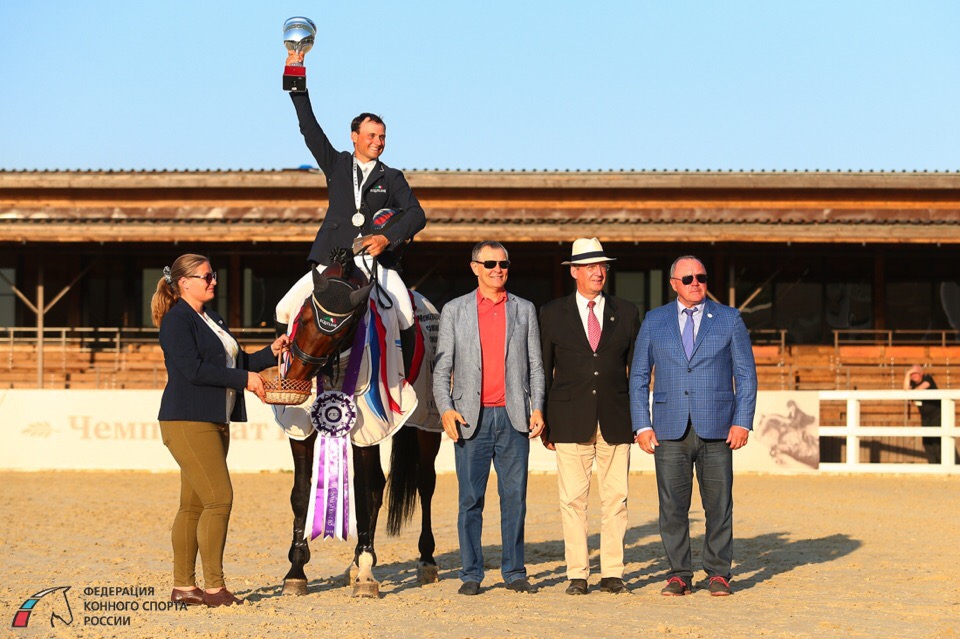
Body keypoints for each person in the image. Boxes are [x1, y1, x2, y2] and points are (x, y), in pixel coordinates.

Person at [275, 51, 426, 373]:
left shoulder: (392, 177)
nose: (378, 142)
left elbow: (417, 214)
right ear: (354, 136)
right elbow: (309, 127)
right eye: (371, 135)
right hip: (332, 259)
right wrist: (296, 71)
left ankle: (405, 377)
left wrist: (386, 238)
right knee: (283, 307)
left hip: (375, 264)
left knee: (405, 314)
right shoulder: (337, 164)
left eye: (382, 136)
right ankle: (285, 374)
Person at [152, 254, 288, 608]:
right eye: (206, 276)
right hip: (187, 420)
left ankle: (184, 587)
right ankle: (214, 588)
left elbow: (236, 362)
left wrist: (270, 353)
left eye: (213, 275)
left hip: (214, 418)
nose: (214, 281)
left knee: (193, 505)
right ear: (184, 282)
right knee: (219, 499)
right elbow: (194, 370)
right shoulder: (176, 320)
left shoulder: (212, 318)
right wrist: (245, 380)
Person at [629, 255, 757, 597]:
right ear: (674, 284)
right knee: (672, 507)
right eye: (688, 279)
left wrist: (742, 421)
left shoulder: (729, 319)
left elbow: (746, 375)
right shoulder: (654, 320)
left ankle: (718, 574)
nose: (696, 283)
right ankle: (679, 574)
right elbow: (638, 376)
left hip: (718, 428)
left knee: (719, 506)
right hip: (668, 427)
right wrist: (641, 424)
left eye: (701, 277)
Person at [432, 241, 545, 596]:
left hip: (514, 418)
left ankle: (514, 571)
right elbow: (441, 369)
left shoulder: (524, 309)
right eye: (491, 263)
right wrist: (446, 408)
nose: (498, 269)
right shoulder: (454, 310)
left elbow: (536, 366)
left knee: (515, 500)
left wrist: (538, 407)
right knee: (470, 501)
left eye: (504, 264)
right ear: (475, 267)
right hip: (470, 419)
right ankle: (471, 573)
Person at [539, 238, 640, 596]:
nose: (599, 272)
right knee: (572, 501)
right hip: (568, 418)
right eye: (591, 266)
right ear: (575, 272)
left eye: (603, 266)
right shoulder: (551, 313)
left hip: (617, 417)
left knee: (616, 498)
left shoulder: (627, 311)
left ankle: (612, 572)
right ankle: (577, 574)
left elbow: (637, 371)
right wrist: (543, 416)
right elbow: (543, 369)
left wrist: (640, 419)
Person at [904, 364, 942, 464]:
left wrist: (910, 392)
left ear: (921, 373)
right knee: (927, 442)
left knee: (938, 441)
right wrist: (907, 374)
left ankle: (952, 464)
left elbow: (920, 389)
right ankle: (934, 465)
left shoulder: (928, 378)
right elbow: (905, 392)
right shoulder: (912, 383)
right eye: (911, 374)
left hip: (937, 415)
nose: (913, 375)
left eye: (915, 373)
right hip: (925, 417)